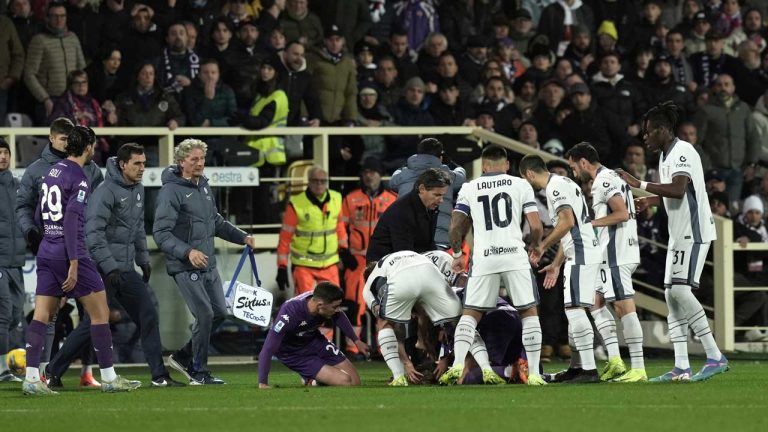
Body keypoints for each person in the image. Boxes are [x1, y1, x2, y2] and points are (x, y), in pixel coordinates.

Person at [22, 126, 141, 395]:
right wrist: (74, 262)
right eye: (94, 146)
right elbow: (73, 218)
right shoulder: (80, 176)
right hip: (70, 253)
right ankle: (109, 378)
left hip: (47, 249)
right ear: (87, 147)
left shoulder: (53, 171)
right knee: (100, 313)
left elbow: (40, 212)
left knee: (41, 314)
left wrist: (46, 239)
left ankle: (31, 378)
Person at [617, 101, 729, 382]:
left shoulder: (683, 151)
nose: (646, 137)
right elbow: (676, 192)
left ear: (664, 130)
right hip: (679, 233)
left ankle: (715, 356)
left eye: (650, 131)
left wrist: (638, 184)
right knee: (671, 295)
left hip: (695, 231)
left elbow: (679, 190)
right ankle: (681, 366)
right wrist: (652, 200)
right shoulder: (665, 155)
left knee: (680, 292)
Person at [153, 139, 258, 385]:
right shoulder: (170, 191)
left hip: (207, 265)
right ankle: (198, 371)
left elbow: (216, 222)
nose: (200, 163)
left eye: (202, 159)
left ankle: (182, 356)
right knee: (205, 313)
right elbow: (161, 233)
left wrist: (242, 237)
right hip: (186, 265)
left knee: (220, 312)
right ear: (181, 162)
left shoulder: (203, 186)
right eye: (194, 160)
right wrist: (188, 252)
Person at [440, 145, 546, 386]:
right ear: (507, 165)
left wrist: (457, 254)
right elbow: (536, 226)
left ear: (484, 166)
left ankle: (457, 365)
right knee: (529, 313)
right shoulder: (520, 185)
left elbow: (456, 226)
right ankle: (536, 375)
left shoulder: (470, 187)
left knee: (470, 315)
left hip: (485, 257)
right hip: (514, 256)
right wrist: (536, 245)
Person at [85, 143, 185, 387]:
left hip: (125, 268)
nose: (142, 168)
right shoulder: (105, 191)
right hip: (102, 268)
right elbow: (93, 234)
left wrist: (143, 260)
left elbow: (138, 229)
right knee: (92, 325)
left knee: (148, 313)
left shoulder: (137, 189)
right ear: (122, 164)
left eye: (144, 163)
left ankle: (159, 376)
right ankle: (54, 371)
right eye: (137, 164)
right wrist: (110, 267)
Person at [15, 117, 103, 376]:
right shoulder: (35, 171)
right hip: (54, 247)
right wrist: (31, 232)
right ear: (51, 138)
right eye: (63, 139)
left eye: (70, 139)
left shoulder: (91, 169)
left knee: (91, 312)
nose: (67, 144)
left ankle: (85, 372)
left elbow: (96, 208)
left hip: (81, 248)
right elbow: (23, 207)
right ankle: (44, 371)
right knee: (51, 314)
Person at [565, 142, 648, 382]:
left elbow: (621, 213)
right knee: (595, 301)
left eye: (573, 167)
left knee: (623, 307)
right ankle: (615, 361)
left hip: (616, 253)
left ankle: (639, 368)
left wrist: (591, 224)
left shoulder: (604, 179)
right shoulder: (610, 177)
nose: (573, 173)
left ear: (583, 162)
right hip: (611, 252)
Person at [520, 154, 602, 384]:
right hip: (577, 251)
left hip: (582, 252)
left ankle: (588, 370)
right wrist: (555, 263)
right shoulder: (564, 183)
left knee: (575, 310)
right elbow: (568, 228)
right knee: (572, 309)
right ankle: (577, 367)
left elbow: (567, 222)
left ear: (529, 174)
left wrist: (541, 245)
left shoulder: (554, 188)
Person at [363, 250, 462, 386]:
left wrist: (406, 363)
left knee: (384, 324)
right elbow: (423, 313)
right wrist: (423, 340)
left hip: (409, 278)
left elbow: (392, 326)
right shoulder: (405, 258)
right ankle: (467, 365)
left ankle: (399, 376)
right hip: (431, 272)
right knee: (462, 320)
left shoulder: (370, 287)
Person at [258, 282, 370, 387]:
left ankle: (314, 377)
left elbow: (339, 316)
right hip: (293, 353)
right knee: (345, 381)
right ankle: (311, 379)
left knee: (355, 382)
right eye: (334, 307)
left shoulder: (320, 300)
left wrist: (356, 341)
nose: (337, 310)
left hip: (314, 341)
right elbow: (268, 349)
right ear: (320, 305)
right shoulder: (289, 313)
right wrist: (262, 383)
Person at [341, 158, 397, 336]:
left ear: (380, 175)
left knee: (384, 303)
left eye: (372, 172)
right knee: (354, 303)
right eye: (365, 172)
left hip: (383, 261)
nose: (368, 176)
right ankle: (353, 348)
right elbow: (340, 227)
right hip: (356, 260)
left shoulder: (391, 199)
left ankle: (384, 348)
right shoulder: (350, 199)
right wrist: (343, 251)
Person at [275, 166, 347, 294]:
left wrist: (344, 251)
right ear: (309, 181)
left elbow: (339, 228)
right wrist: (282, 266)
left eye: (323, 181)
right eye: (315, 180)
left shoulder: (336, 199)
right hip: (304, 265)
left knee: (332, 306)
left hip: (329, 264)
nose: (319, 184)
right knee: (306, 307)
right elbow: (285, 238)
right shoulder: (297, 203)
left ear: (327, 182)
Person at [389, 138, 466, 249]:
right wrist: (451, 162)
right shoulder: (447, 174)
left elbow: (393, 181)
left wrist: (409, 163)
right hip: (440, 244)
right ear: (440, 157)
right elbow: (462, 175)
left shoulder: (403, 174)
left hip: (407, 243)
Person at [367, 168, 451, 262]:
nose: (441, 200)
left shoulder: (430, 207)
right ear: (422, 189)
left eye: (443, 195)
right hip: (382, 268)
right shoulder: (402, 212)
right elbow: (404, 255)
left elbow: (429, 244)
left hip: (404, 262)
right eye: (437, 195)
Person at [0, 139, 26, 383]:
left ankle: (5, 365)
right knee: (3, 313)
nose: (3, 156)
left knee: (17, 314)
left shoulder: (18, 186)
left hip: (17, 262)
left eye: (5, 152)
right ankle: (2, 368)